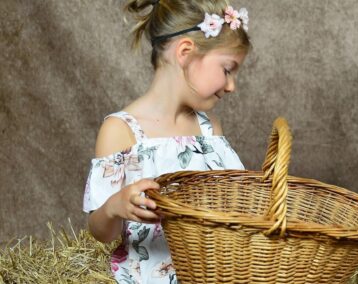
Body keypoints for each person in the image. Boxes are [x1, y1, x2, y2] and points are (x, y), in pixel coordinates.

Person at [83, 0, 251, 283]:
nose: (232, 86)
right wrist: (115, 206)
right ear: (185, 52)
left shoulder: (209, 129)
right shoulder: (121, 131)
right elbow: (101, 233)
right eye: (227, 69)